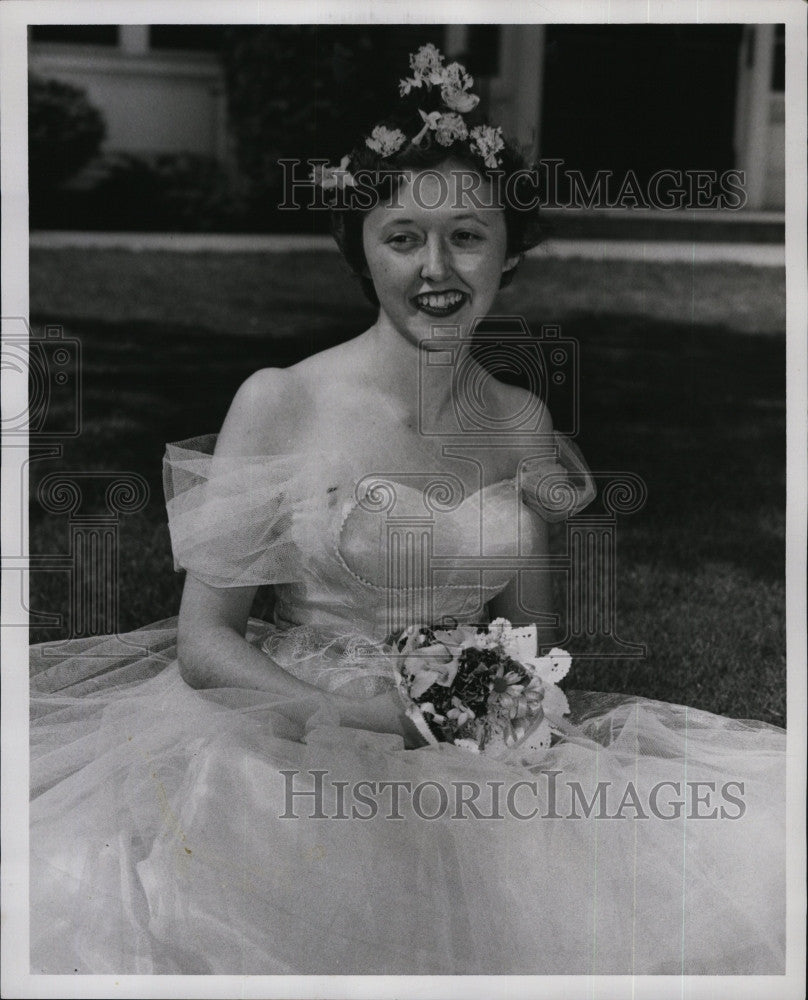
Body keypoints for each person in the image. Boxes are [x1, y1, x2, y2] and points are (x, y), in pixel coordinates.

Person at [29, 45, 786, 977]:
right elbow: (206, 644)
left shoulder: (519, 420)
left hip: (468, 733)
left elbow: (527, 637)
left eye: (468, 236)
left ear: (511, 253)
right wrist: (364, 714)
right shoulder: (282, 400)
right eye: (403, 237)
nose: (437, 267)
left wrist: (500, 715)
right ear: (361, 248)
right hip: (295, 731)